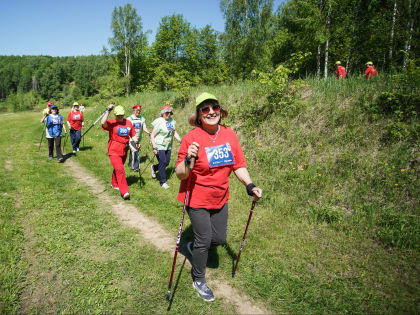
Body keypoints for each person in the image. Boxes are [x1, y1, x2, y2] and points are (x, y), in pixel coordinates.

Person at [175, 92, 262, 302]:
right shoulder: (191, 138)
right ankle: (198, 279)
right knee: (204, 239)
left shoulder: (229, 135)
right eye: (205, 109)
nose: (211, 112)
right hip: (196, 198)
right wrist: (189, 159)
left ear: (220, 111)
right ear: (198, 115)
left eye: (214, 107)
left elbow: (238, 165)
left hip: (220, 197)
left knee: (219, 239)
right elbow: (180, 173)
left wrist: (249, 185)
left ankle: (194, 248)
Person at [101, 104, 138, 200]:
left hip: (124, 150)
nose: (120, 117)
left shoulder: (128, 123)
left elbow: (133, 134)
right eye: (118, 115)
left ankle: (114, 183)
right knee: (120, 169)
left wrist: (136, 142)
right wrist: (107, 110)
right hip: (113, 150)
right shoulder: (112, 123)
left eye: (122, 115)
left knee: (118, 168)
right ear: (115, 115)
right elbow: (103, 122)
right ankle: (124, 191)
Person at [150, 104, 182, 189]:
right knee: (163, 162)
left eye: (170, 113)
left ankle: (154, 167)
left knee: (166, 163)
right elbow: (152, 135)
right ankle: (163, 182)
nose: (168, 114)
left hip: (168, 145)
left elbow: (174, 132)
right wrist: (154, 147)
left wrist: (180, 140)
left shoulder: (172, 121)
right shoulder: (159, 121)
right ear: (162, 113)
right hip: (159, 145)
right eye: (166, 113)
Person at [127, 104, 151, 171]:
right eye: (137, 110)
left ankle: (130, 163)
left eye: (139, 110)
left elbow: (144, 127)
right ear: (133, 110)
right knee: (135, 151)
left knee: (133, 151)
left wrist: (149, 133)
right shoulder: (129, 119)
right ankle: (135, 167)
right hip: (131, 138)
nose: (138, 112)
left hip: (138, 138)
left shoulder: (142, 119)